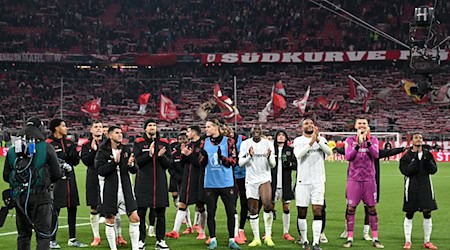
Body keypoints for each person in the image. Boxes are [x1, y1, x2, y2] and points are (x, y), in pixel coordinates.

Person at [3, 117, 62, 250]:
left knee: (23, 235)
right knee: (43, 236)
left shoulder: (13, 150)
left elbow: (6, 176)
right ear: (40, 129)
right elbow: (57, 174)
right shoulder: (46, 147)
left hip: (20, 198)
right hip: (41, 197)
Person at [336, 144, 407, 241]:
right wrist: (337, 149)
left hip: (370, 182)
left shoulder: (374, 152)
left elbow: (388, 152)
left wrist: (401, 149)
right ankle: (347, 230)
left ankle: (366, 232)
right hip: (354, 182)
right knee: (350, 207)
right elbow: (345, 151)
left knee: (369, 208)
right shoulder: (355, 149)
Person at [95, 125, 140, 250]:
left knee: (135, 218)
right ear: (109, 135)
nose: (120, 135)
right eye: (116, 132)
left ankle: (136, 248)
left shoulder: (126, 149)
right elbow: (100, 170)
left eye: (121, 132)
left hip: (126, 189)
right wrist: (114, 163)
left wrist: (131, 165)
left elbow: (134, 170)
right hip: (110, 190)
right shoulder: (102, 152)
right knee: (110, 219)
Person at [343, 117, 384, 248]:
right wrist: (357, 144)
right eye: (359, 123)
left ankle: (375, 238)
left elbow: (376, 154)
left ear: (368, 126)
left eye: (364, 124)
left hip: (369, 180)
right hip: (354, 180)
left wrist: (366, 141)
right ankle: (349, 238)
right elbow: (349, 156)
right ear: (355, 126)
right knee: (351, 208)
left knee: (372, 208)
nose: (361, 125)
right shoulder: (349, 141)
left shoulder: (373, 140)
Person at [200, 119, 240, 250]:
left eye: (208, 126)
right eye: (205, 127)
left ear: (216, 127)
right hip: (210, 183)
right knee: (210, 212)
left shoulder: (228, 142)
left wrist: (222, 158)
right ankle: (212, 239)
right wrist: (203, 158)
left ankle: (232, 240)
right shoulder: (204, 142)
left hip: (226, 182)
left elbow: (234, 162)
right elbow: (200, 163)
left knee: (230, 211)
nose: (206, 129)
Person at [46, 118, 87, 248]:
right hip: (56, 181)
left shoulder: (69, 142)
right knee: (55, 210)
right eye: (64, 126)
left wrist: (73, 153)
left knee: (72, 208)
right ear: (56, 128)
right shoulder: (48, 143)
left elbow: (75, 161)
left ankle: (72, 238)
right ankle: (52, 239)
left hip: (70, 179)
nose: (66, 128)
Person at [293, 118, 331, 250]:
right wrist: (311, 143)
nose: (309, 125)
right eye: (306, 123)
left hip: (318, 182)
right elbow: (298, 155)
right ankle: (304, 240)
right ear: (301, 127)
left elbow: (329, 152)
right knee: (302, 212)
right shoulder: (298, 141)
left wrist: (318, 140)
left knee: (317, 211)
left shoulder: (322, 139)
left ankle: (316, 242)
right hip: (303, 182)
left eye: (311, 123)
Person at [133, 119, 172, 250]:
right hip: (143, 183)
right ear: (145, 129)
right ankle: (140, 240)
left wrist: (161, 157)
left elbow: (169, 164)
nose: (152, 127)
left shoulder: (164, 143)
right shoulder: (139, 143)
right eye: (149, 125)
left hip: (160, 183)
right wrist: (149, 155)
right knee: (141, 214)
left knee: (161, 214)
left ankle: (160, 240)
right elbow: (137, 162)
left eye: (154, 125)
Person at [166, 125, 208, 240]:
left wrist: (189, 155)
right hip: (187, 179)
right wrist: (184, 155)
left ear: (194, 133)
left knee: (200, 206)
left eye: (189, 131)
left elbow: (200, 163)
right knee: (182, 204)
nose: (187, 134)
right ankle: (175, 231)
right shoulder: (188, 145)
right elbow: (184, 163)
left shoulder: (203, 145)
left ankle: (202, 231)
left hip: (199, 179)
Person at [238, 124, 276, 247]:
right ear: (251, 131)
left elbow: (273, 164)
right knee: (253, 209)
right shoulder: (245, 144)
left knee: (267, 204)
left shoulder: (268, 144)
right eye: (254, 130)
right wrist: (249, 156)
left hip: (264, 178)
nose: (256, 131)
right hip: (250, 180)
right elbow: (240, 163)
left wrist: (270, 157)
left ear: (261, 131)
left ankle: (268, 236)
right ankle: (256, 238)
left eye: (259, 130)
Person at [400, 133, 438, 250]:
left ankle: (427, 241)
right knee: (410, 213)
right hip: (412, 188)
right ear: (411, 141)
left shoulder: (428, 155)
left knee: (427, 213)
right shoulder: (406, 157)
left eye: (420, 138)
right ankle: (408, 241)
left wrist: (426, 160)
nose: (419, 139)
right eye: (416, 138)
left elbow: (433, 170)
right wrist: (416, 158)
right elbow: (407, 171)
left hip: (426, 187)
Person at [271, 130, 297, 241]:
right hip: (272, 183)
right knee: (270, 207)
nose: (281, 137)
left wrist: (290, 164)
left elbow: (297, 165)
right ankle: (269, 232)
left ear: (286, 138)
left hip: (285, 183)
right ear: (276, 137)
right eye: (279, 135)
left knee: (286, 207)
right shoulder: (272, 150)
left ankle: (286, 232)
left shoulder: (290, 150)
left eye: (283, 135)